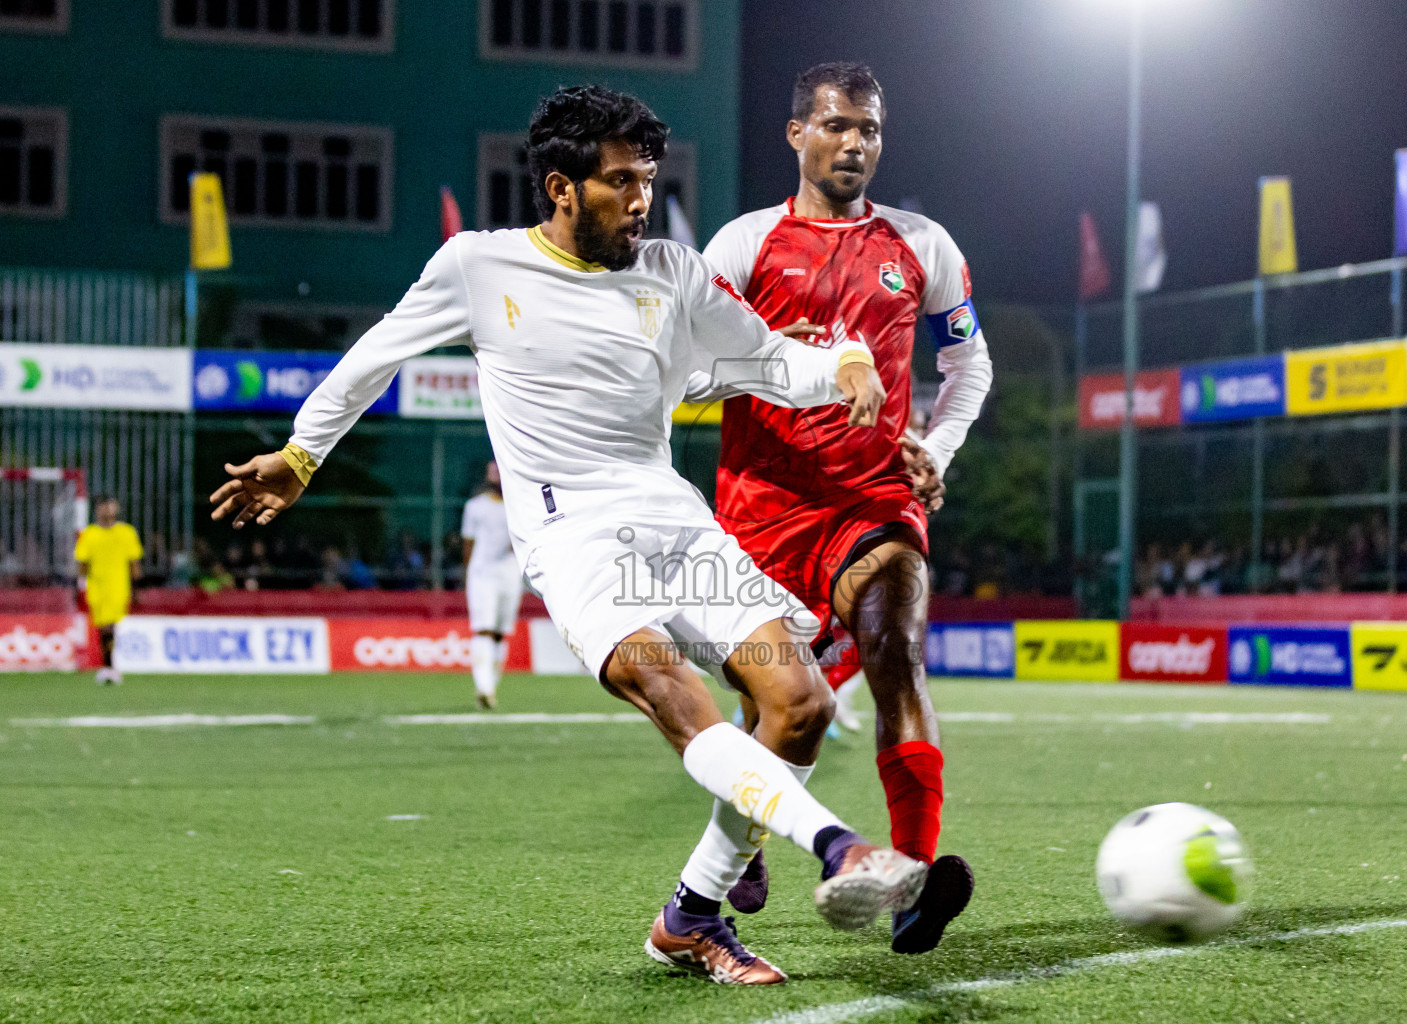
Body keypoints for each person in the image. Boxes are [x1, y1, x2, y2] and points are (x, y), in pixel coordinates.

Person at [208, 85, 922, 986]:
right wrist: (300, 455)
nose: (639, 201)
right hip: (573, 538)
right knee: (671, 689)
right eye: (620, 182)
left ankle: (691, 918)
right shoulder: (479, 266)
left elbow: (767, 357)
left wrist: (844, 363)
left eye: (647, 181)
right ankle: (840, 847)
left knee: (803, 704)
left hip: (671, 521)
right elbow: (375, 356)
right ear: (560, 187)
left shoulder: (672, 271)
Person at [690, 61, 993, 955]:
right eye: (836, 126)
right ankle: (744, 832)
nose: (854, 143)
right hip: (762, 509)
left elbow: (968, 367)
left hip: (875, 502)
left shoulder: (923, 246)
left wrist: (932, 453)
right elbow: (692, 368)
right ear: (797, 135)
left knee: (897, 652)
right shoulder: (742, 246)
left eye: (868, 129)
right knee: (780, 707)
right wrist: (802, 367)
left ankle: (911, 880)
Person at [461, 460, 523, 709]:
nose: (496, 474)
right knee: (483, 628)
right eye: (492, 470)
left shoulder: (519, 506)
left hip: (510, 574)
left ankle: (491, 688)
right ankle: (483, 687)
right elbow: (468, 542)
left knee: (499, 632)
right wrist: (469, 573)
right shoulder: (475, 507)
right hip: (483, 574)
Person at [74, 495, 143, 685]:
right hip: (96, 587)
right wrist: (80, 585)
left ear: (116, 508)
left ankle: (109, 667)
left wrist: (136, 588)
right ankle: (108, 666)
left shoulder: (127, 532)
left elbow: (134, 562)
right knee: (104, 628)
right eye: (102, 506)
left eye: (109, 505)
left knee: (109, 627)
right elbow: (82, 563)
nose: (106, 510)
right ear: (96, 510)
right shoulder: (89, 534)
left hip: (119, 586)